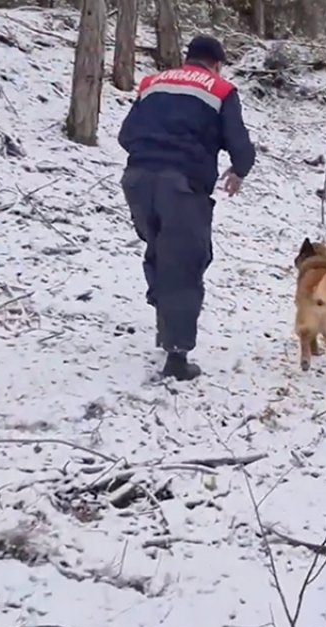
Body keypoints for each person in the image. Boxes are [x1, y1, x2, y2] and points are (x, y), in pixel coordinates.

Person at [117, 35, 256, 381]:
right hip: (180, 188)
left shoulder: (152, 83)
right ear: (217, 64)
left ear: (187, 58)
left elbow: (125, 135)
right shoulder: (221, 90)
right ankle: (177, 358)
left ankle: (164, 311)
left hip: (136, 182)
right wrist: (239, 169)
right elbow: (240, 144)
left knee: (160, 251)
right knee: (184, 264)